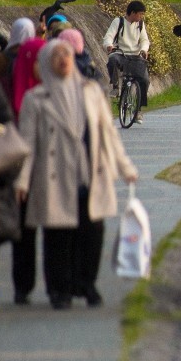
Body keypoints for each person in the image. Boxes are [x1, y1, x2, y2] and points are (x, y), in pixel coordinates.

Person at [14, 40, 138, 309]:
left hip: (89, 172)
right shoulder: (35, 99)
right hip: (54, 176)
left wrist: (124, 166)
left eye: (66, 54)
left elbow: (108, 132)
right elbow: (27, 145)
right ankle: (59, 290)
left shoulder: (91, 91)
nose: (62, 59)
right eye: (56, 55)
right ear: (46, 62)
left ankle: (86, 284)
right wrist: (22, 180)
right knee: (58, 237)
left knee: (91, 233)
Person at [102, 0, 152, 122]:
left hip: (135, 55)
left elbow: (145, 40)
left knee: (144, 80)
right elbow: (108, 36)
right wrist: (109, 45)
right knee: (113, 59)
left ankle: (138, 110)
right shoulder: (118, 21)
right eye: (140, 14)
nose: (141, 16)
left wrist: (144, 50)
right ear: (133, 13)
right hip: (121, 53)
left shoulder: (140, 24)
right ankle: (115, 87)